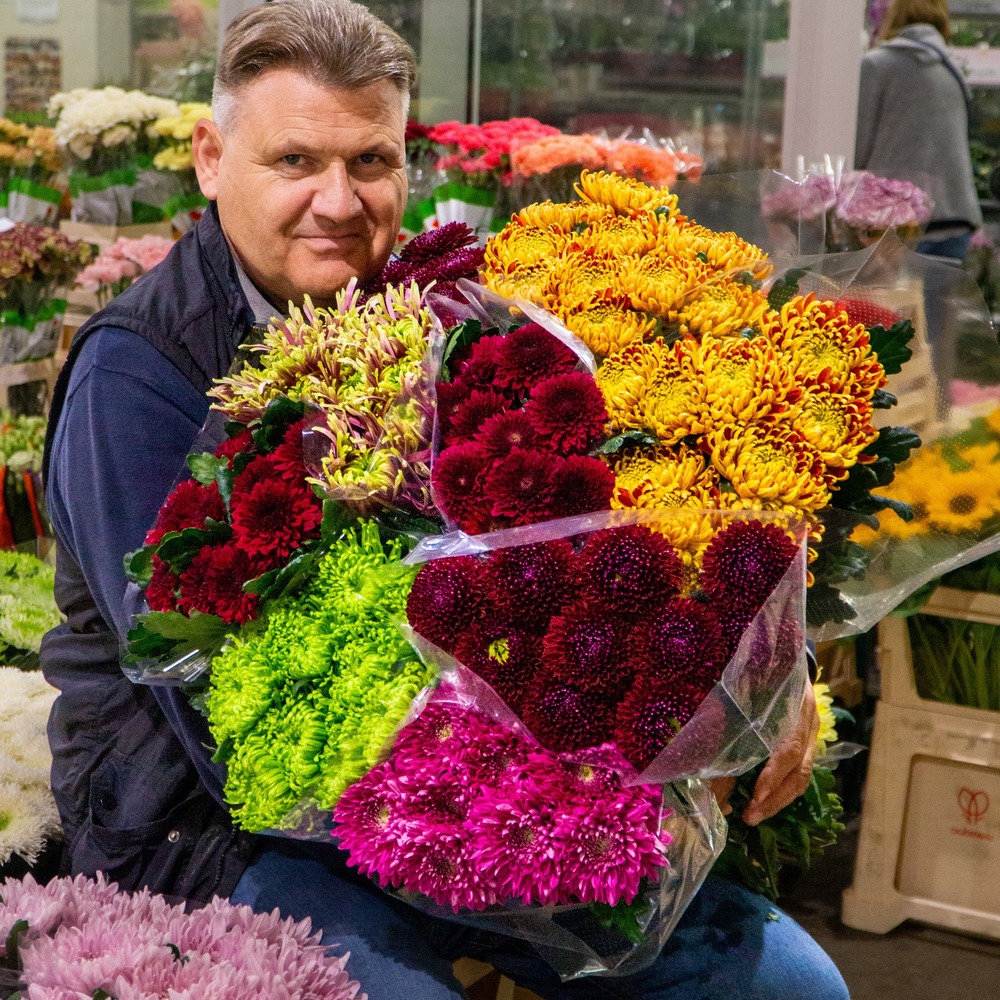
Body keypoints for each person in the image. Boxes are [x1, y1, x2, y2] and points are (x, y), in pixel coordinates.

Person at [41, 2, 850, 997]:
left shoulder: (443, 304)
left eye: (370, 162)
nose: (338, 201)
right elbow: (210, 709)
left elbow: (616, 524)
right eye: (294, 161)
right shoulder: (138, 372)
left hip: (490, 788)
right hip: (209, 824)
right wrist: (534, 782)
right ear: (212, 158)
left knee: (789, 986)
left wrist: (762, 674)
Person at [855, 0, 982, 263]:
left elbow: (856, 147)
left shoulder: (876, 66)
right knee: (936, 303)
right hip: (953, 220)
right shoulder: (952, 72)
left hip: (893, 224)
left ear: (892, 16)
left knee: (885, 304)